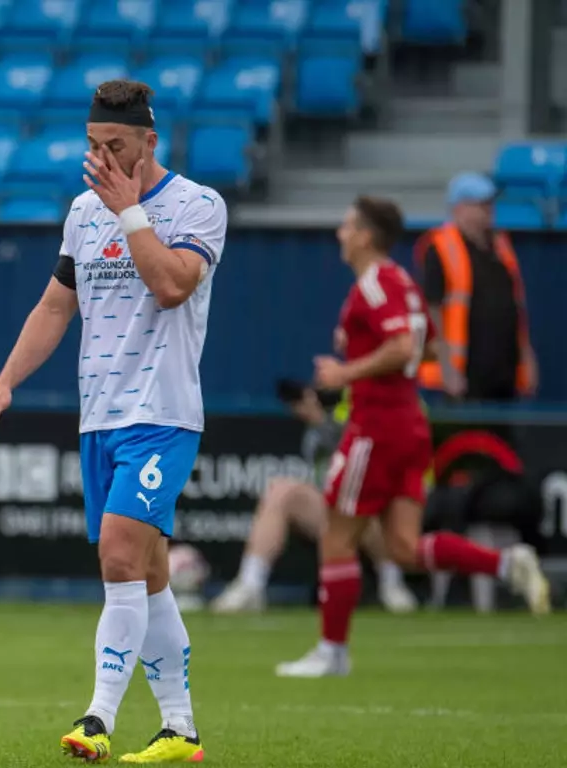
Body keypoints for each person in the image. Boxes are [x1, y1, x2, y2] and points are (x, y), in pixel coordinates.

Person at [0, 80, 223, 764]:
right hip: (100, 418)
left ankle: (97, 717)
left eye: (115, 146)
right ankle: (180, 730)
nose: (102, 159)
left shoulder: (197, 206)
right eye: (92, 147)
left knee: (117, 552)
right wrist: (5, 381)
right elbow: (55, 308)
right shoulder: (84, 213)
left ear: (149, 141)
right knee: (146, 574)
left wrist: (131, 212)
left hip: (163, 413)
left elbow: (173, 284)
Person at [275, 196, 551, 679]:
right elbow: (422, 341)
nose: (340, 234)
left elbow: (403, 346)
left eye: (346, 225)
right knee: (404, 547)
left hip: (375, 427)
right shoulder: (401, 281)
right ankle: (508, 564)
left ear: (365, 235)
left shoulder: (378, 283)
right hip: (409, 423)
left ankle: (332, 652)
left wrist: (345, 371)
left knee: (337, 539)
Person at [212, 383, 418, 614]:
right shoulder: (316, 432)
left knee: (358, 502)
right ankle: (250, 583)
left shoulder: (375, 402)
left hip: (379, 513)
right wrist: (319, 421)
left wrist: (321, 420)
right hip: (335, 515)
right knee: (280, 490)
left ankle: (392, 582)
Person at [415, 172, 537, 402]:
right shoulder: (440, 247)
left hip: (503, 372)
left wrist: (527, 357)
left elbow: (516, 308)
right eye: (481, 204)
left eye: (490, 203)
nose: (489, 209)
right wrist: (447, 368)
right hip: (465, 375)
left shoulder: (501, 247)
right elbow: (432, 310)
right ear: (460, 208)